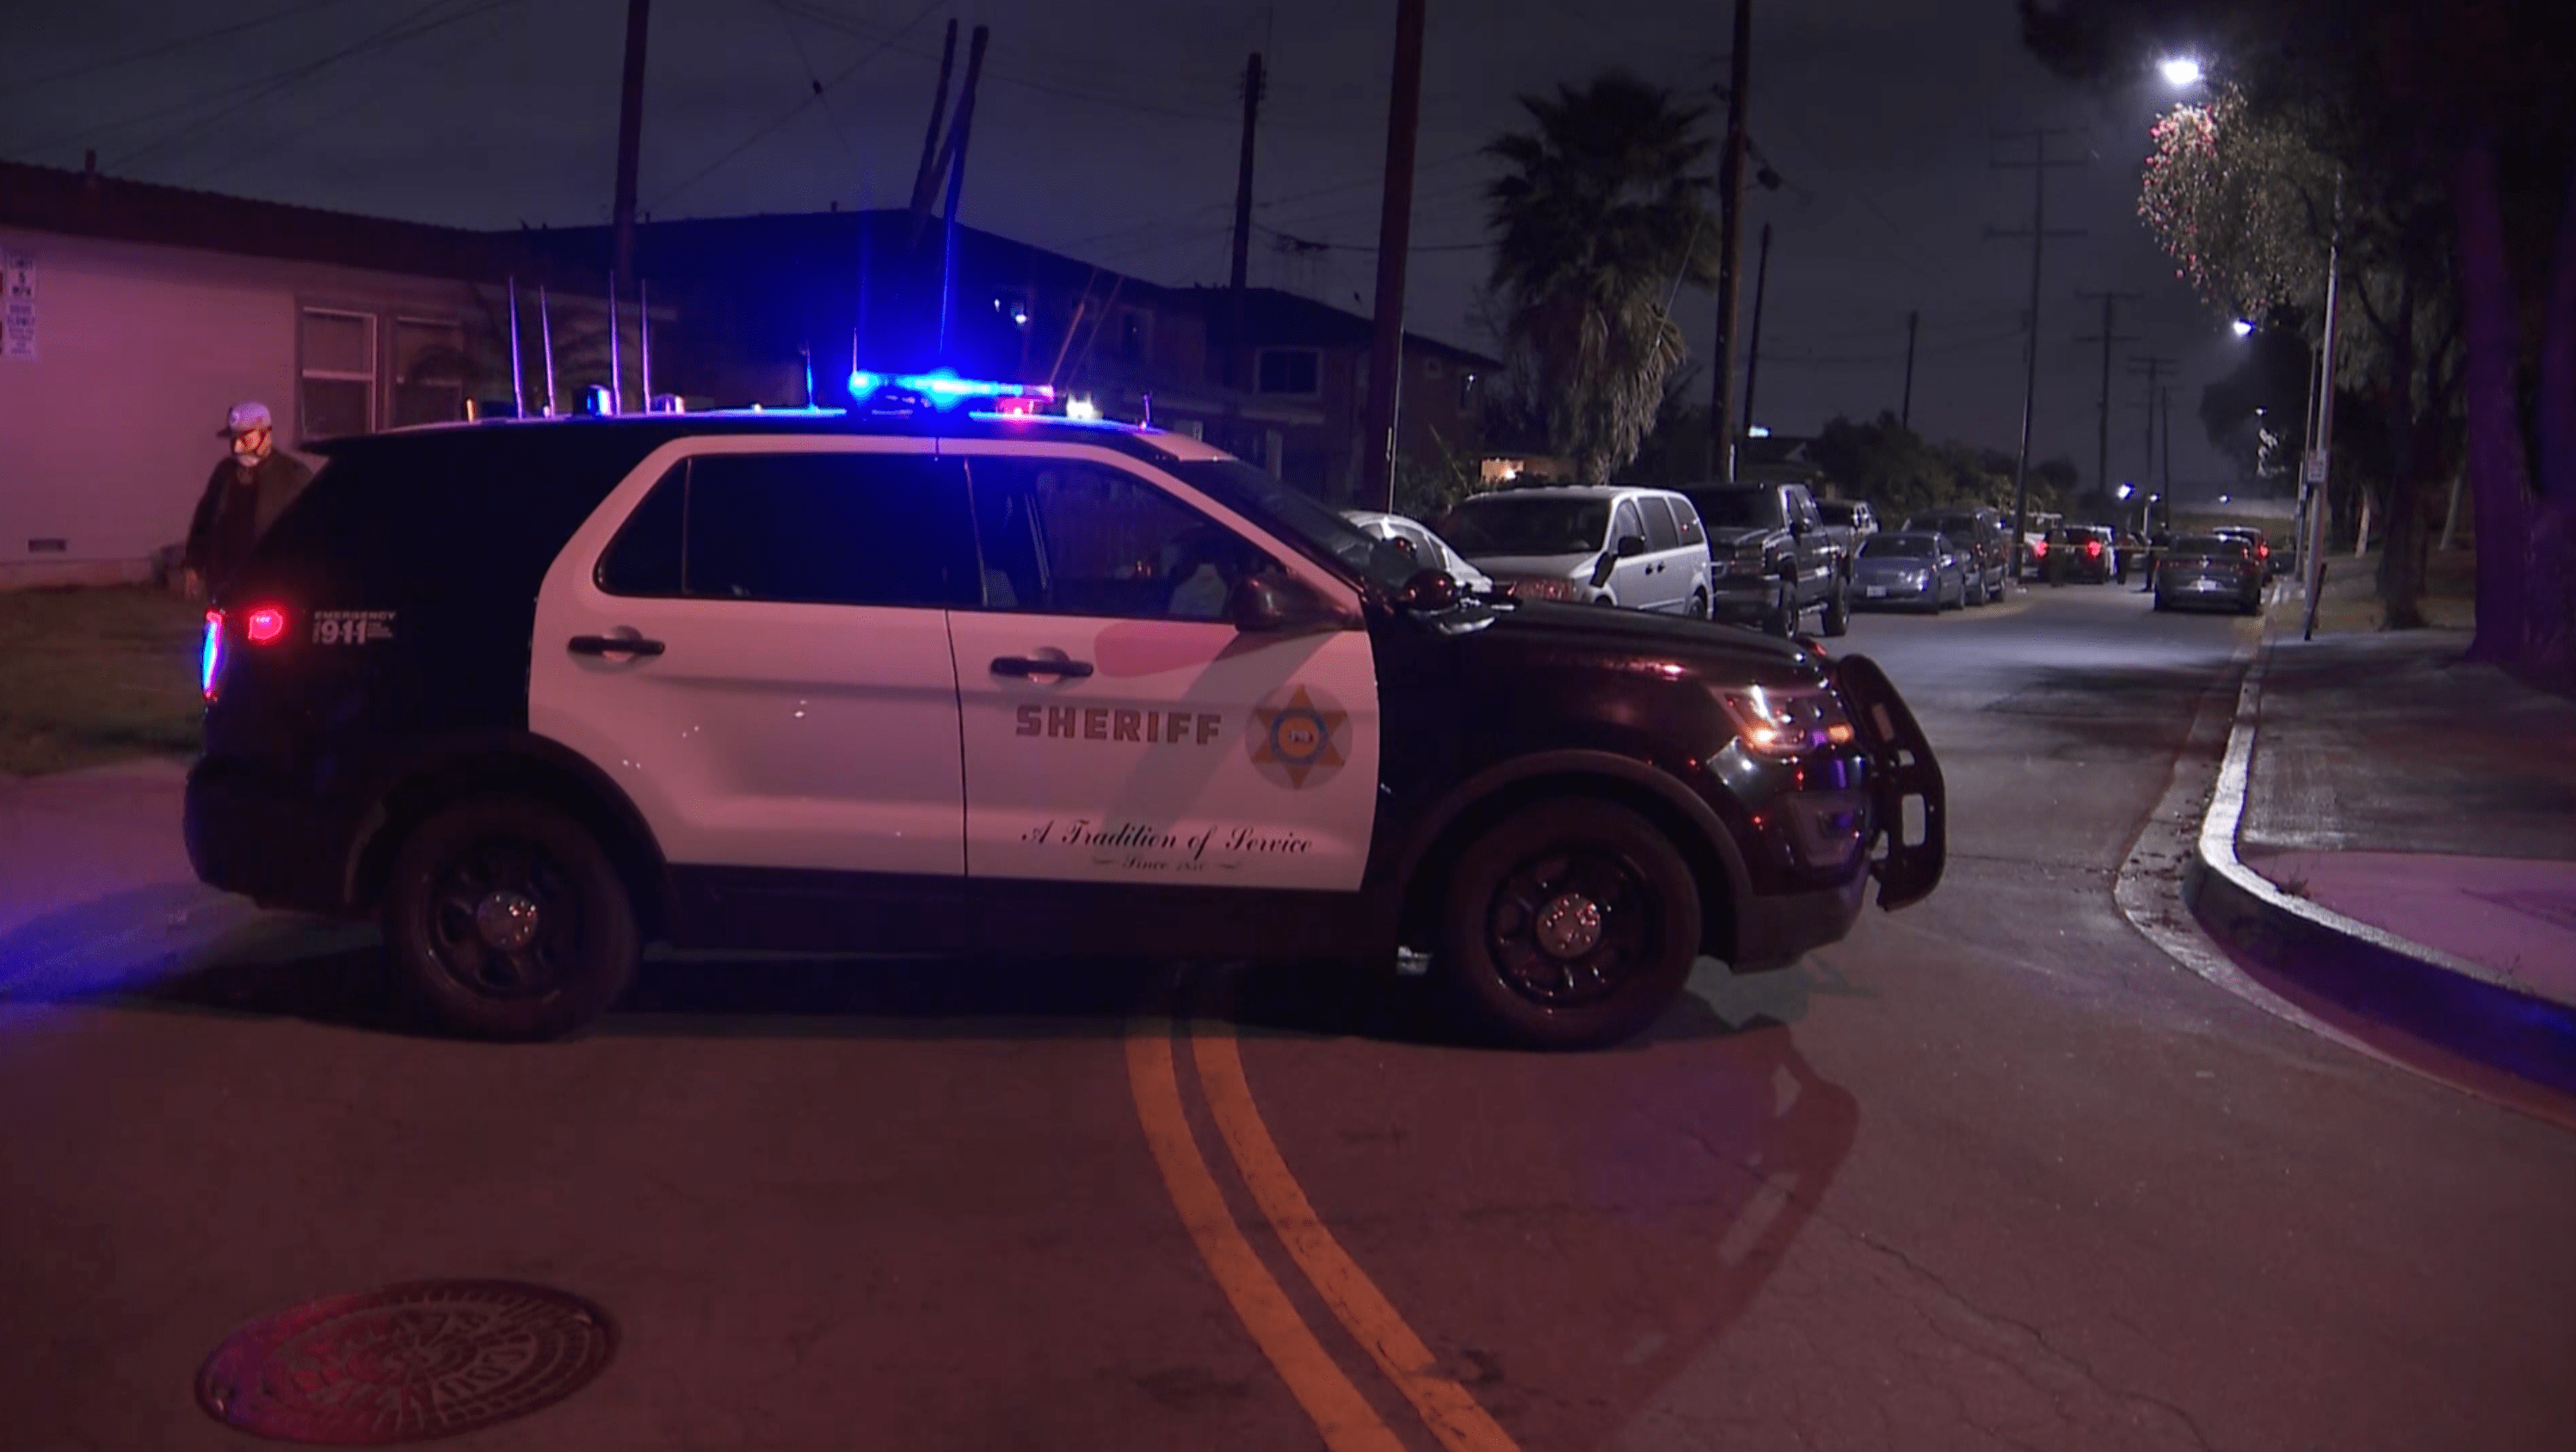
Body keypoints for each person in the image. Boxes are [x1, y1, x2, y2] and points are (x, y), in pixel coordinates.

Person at [182, 402, 312, 601]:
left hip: (274, 587)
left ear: (266, 436)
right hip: (226, 584)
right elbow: (205, 520)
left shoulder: (293, 475)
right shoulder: (224, 473)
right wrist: (194, 564)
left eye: (245, 439)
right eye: (233, 440)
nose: (237, 448)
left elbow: (314, 529)